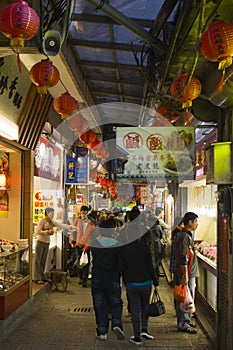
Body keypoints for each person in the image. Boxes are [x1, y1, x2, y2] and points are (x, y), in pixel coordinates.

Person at [118, 209, 159, 346]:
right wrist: (156, 281)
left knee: (135, 310)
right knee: (145, 307)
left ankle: (137, 337)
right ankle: (144, 329)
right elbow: (150, 266)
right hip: (146, 282)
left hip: (132, 283)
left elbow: (121, 267)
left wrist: (122, 278)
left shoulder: (124, 249)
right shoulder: (145, 249)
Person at [91, 218, 125, 341]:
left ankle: (102, 332)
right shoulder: (117, 244)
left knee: (99, 304)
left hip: (98, 277)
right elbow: (120, 263)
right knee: (116, 302)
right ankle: (116, 323)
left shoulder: (94, 243)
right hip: (113, 278)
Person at [174, 211, 199, 334]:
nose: (197, 224)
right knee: (185, 298)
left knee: (186, 298)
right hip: (185, 274)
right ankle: (183, 323)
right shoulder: (184, 236)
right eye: (196, 221)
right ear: (190, 222)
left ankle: (186, 321)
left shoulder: (186, 235)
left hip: (186, 273)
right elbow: (184, 257)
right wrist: (185, 274)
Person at [34, 207, 73, 284]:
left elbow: (59, 225)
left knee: (43, 260)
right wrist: (48, 232)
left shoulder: (52, 222)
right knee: (38, 261)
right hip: (40, 242)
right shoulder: (42, 221)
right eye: (51, 213)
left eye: (53, 213)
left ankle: (42, 276)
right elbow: (37, 231)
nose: (52, 215)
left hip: (47, 242)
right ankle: (37, 278)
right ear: (47, 213)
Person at [69, 205, 95, 287]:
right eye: (82, 213)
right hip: (77, 244)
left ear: (87, 213)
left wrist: (86, 246)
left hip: (86, 246)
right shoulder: (77, 221)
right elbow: (72, 232)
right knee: (79, 262)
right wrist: (71, 242)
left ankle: (84, 279)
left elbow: (91, 236)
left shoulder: (91, 223)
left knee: (86, 263)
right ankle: (80, 278)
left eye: (85, 213)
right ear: (80, 212)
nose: (83, 215)